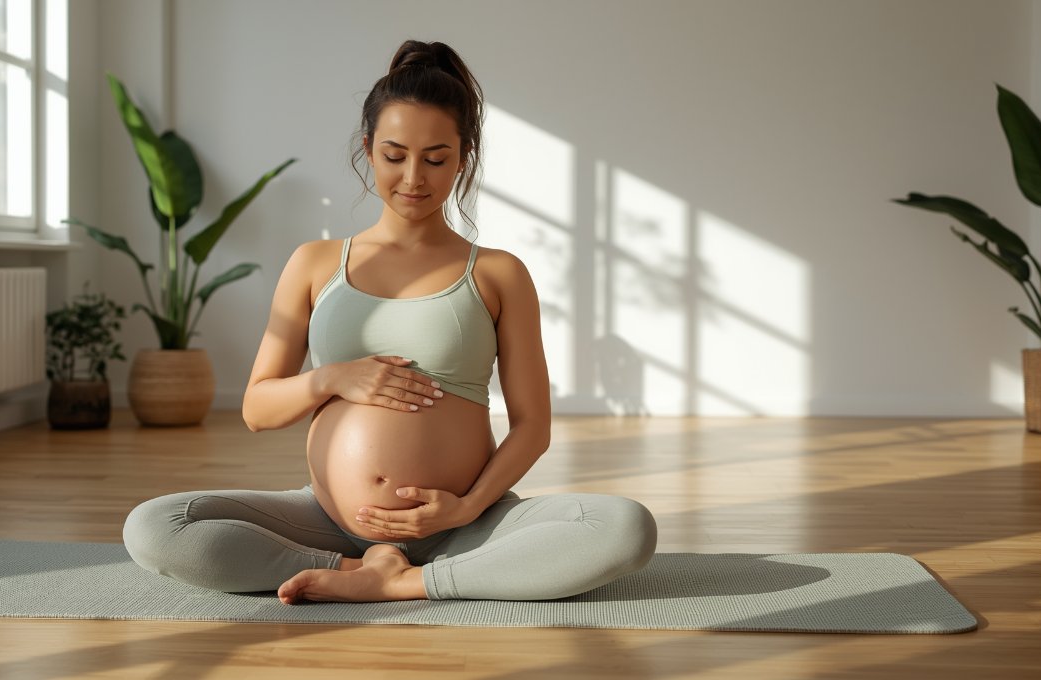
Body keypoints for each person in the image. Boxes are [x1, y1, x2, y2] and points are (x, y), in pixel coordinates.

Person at [122, 39, 657, 604]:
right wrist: (333, 379)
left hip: (462, 524)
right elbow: (257, 408)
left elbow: (533, 426)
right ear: (368, 149)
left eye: (436, 158)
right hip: (329, 518)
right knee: (156, 526)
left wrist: (469, 505)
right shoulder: (314, 262)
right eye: (394, 155)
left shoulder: (499, 273)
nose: (413, 179)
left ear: (463, 157)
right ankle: (360, 564)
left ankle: (408, 580)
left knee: (625, 527)